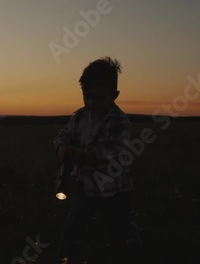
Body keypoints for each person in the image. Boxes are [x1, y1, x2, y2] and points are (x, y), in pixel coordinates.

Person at [53, 57, 141, 264]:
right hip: (87, 187)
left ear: (114, 95)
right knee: (73, 226)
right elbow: (62, 135)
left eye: (98, 98)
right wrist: (61, 147)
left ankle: (131, 242)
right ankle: (64, 258)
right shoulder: (80, 117)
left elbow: (115, 152)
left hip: (116, 190)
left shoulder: (120, 121)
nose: (91, 103)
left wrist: (84, 154)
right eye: (87, 97)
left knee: (117, 227)